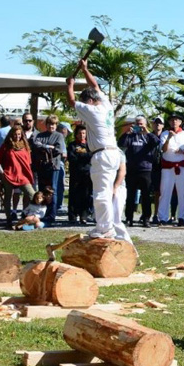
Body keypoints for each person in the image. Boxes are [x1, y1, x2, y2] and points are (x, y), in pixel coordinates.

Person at [66, 62, 127, 242]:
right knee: (105, 192)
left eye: (85, 101)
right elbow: (94, 85)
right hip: (113, 153)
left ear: (90, 101)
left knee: (101, 193)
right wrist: (85, 69)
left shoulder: (92, 110)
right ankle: (106, 226)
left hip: (102, 154)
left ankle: (105, 228)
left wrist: (69, 85)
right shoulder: (106, 104)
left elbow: (71, 101)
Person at [118, 115, 159, 227]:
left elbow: (156, 142)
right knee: (130, 195)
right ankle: (129, 218)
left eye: (141, 123)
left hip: (145, 170)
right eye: (137, 123)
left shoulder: (148, 136)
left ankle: (146, 218)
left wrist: (147, 131)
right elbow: (121, 144)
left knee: (146, 196)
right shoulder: (131, 136)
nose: (139, 126)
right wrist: (126, 133)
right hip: (132, 169)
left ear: (145, 124)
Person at [0, 124, 35, 227]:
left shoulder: (25, 145)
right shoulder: (6, 146)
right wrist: (1, 170)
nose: (17, 136)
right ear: (11, 134)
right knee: (7, 197)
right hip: (9, 174)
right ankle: (9, 219)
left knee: (32, 195)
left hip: (22, 175)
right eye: (15, 134)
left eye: (19, 134)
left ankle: (28, 217)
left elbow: (28, 161)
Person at [31, 115, 67, 224]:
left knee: (52, 190)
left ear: (56, 125)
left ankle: (52, 215)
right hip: (42, 166)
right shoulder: (40, 135)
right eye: (49, 124)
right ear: (46, 125)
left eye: (54, 124)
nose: (51, 126)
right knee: (41, 190)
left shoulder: (59, 136)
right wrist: (48, 147)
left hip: (53, 166)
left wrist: (45, 147)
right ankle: (42, 213)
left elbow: (58, 150)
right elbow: (36, 145)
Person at [66, 125, 93, 225]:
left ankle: (84, 216)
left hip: (87, 174)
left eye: (83, 133)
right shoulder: (72, 145)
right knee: (73, 195)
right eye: (80, 133)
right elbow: (72, 158)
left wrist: (81, 156)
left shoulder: (90, 145)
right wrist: (84, 157)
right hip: (75, 173)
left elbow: (91, 156)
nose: (82, 135)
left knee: (86, 195)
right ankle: (72, 216)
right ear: (76, 134)